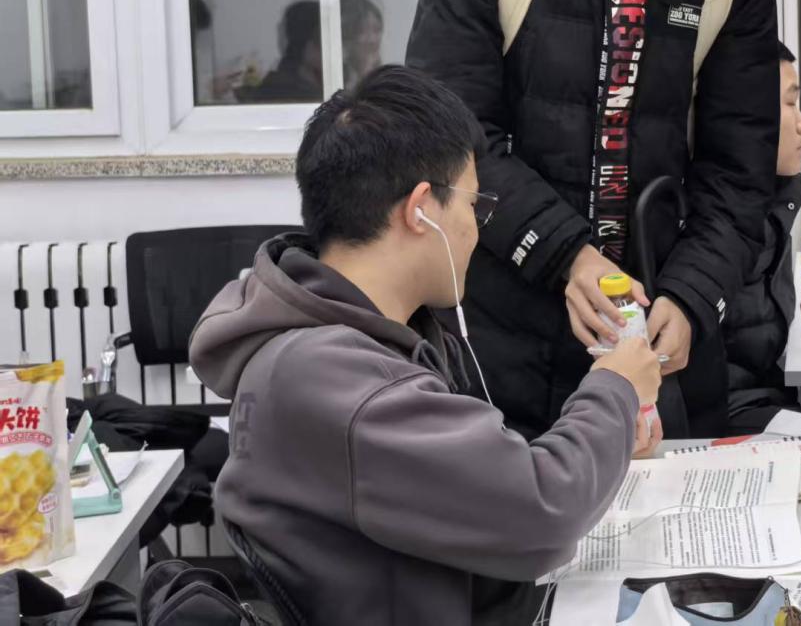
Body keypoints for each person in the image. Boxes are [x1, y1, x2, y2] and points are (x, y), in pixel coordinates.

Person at [407, 0, 779, 440]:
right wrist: (564, 256)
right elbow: (449, 140)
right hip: (498, 347)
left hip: (665, 354)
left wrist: (692, 295)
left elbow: (740, 171)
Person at [189, 65, 661, 626]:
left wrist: (604, 442)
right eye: (472, 205)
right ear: (420, 210)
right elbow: (543, 511)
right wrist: (616, 388)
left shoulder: (344, 344)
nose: (476, 229)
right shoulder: (332, 376)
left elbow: (487, 488)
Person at [724, 42, 801, 432]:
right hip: (727, 420)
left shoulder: (773, 204)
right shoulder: (716, 225)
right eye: (791, 104)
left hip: (762, 401)